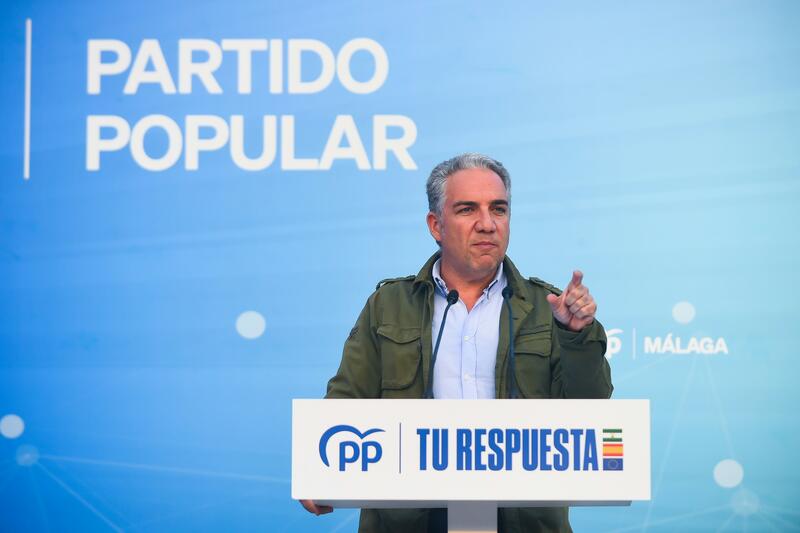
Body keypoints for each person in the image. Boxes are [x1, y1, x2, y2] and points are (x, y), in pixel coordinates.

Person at [300, 153, 612, 533]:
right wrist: (320, 471)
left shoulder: (548, 308)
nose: (487, 224)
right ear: (436, 225)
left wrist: (577, 335)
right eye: (467, 209)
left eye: (498, 209)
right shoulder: (388, 305)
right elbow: (347, 400)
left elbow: (591, 415)